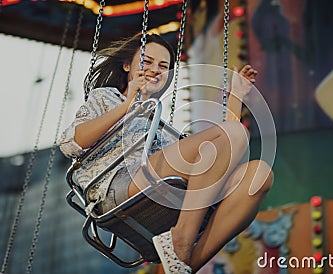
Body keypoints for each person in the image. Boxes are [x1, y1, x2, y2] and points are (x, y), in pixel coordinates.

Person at [59, 33, 273, 274]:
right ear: (128, 65)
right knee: (233, 132)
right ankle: (180, 241)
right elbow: (70, 143)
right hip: (117, 184)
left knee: (259, 175)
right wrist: (126, 105)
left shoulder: (159, 125)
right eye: (146, 62)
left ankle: (185, 265)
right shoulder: (106, 97)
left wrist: (236, 97)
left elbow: (228, 146)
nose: (155, 70)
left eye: (163, 66)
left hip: (165, 188)